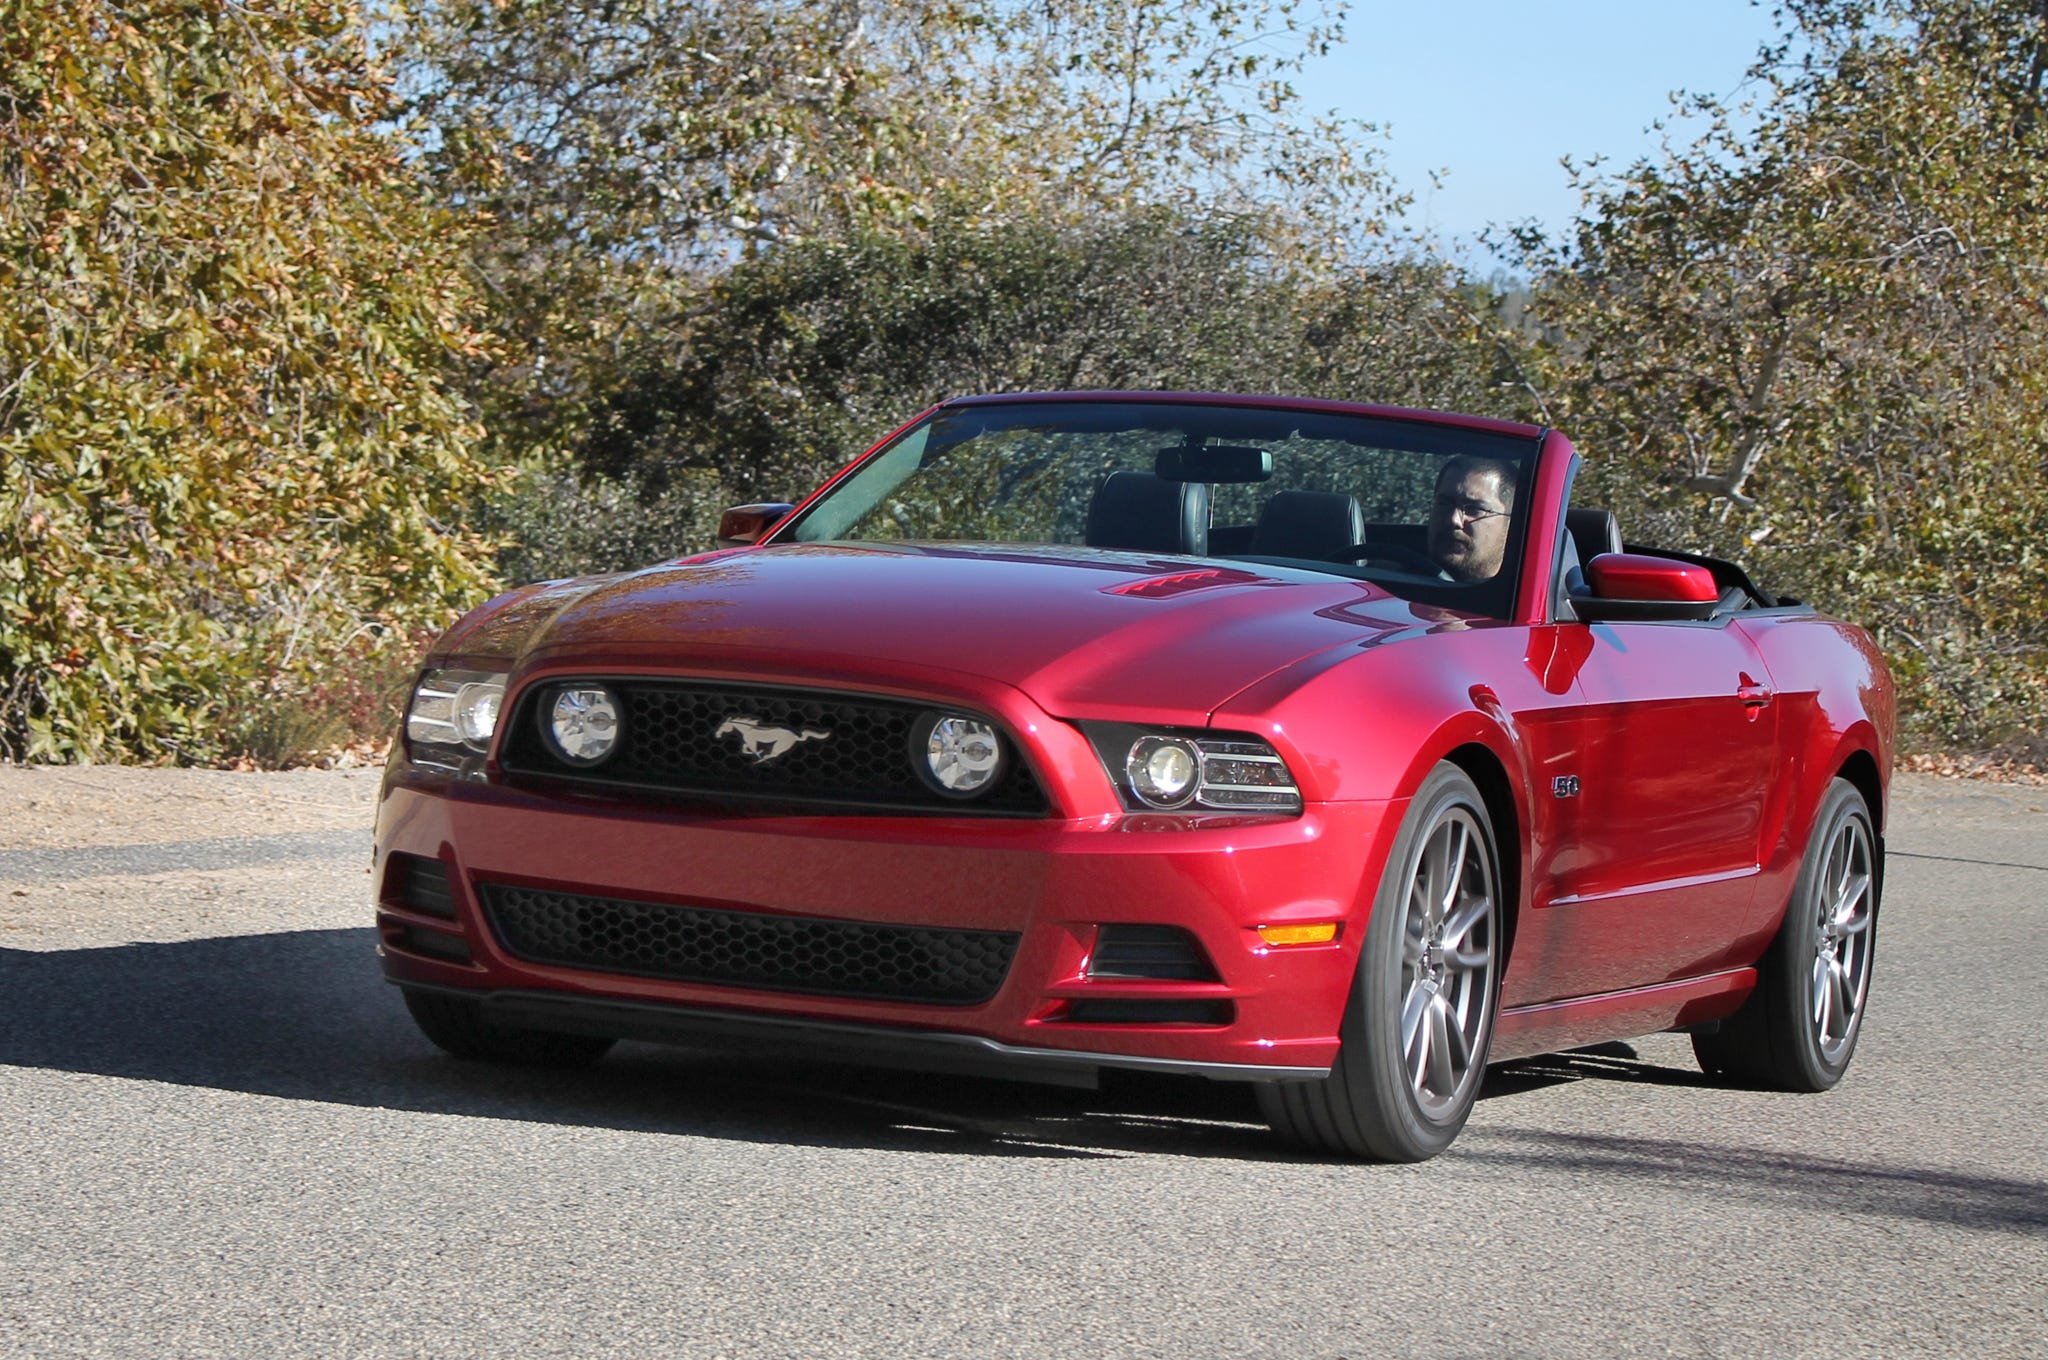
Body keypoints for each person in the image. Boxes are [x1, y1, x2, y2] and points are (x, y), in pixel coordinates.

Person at [1426, 455, 1516, 582]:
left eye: (1474, 509)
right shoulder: (1395, 581)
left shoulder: (1522, 597)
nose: (1453, 520)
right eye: (1444, 504)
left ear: (1511, 524)